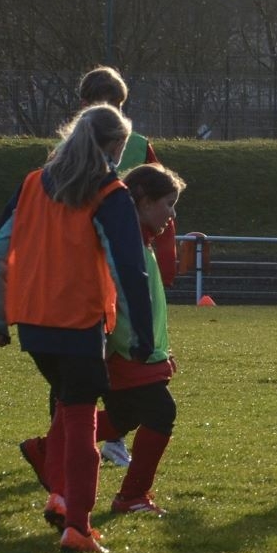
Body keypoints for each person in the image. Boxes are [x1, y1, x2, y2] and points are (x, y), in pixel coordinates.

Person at [0, 103, 154, 553]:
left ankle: (59, 494)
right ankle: (78, 526)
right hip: (78, 322)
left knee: (65, 409)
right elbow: (128, 267)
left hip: (33, 323)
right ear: (116, 145)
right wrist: (142, 334)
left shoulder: (33, 183)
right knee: (80, 423)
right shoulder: (108, 191)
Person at [18, 163, 190, 520]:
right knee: (161, 413)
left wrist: (161, 352)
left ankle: (47, 450)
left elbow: (149, 307)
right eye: (169, 204)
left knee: (124, 416)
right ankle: (132, 495)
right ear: (144, 200)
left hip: (137, 351)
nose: (172, 215)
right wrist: (139, 350)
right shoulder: (122, 241)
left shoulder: (142, 240)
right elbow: (119, 303)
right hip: (125, 351)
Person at [75, 65, 178, 468]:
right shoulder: (76, 150)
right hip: (102, 268)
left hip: (109, 264)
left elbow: (161, 194)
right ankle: (66, 451)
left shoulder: (125, 145)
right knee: (92, 380)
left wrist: (162, 260)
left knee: (94, 382)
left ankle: (70, 447)